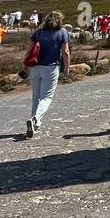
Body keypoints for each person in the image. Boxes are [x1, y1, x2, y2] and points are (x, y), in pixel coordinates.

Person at [25, 10, 70, 138]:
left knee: (36, 96)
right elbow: (65, 52)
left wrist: (25, 66)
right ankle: (35, 119)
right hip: (51, 67)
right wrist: (66, 67)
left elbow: (29, 51)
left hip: (35, 67)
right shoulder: (62, 33)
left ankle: (35, 125)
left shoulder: (38, 33)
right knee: (47, 97)